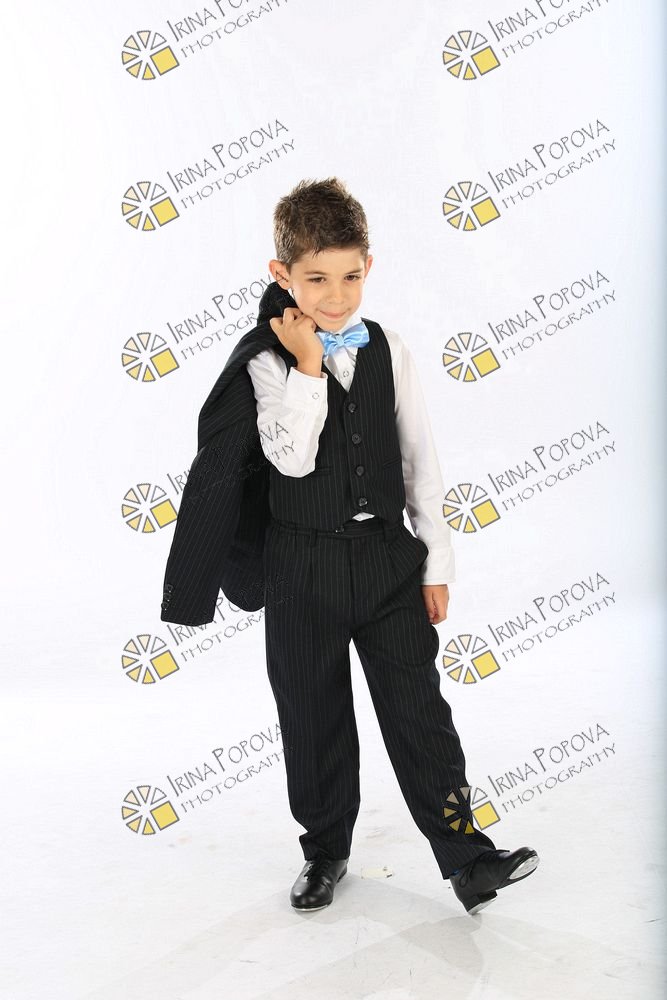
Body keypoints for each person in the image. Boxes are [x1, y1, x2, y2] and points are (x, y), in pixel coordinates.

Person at [242, 176, 540, 915]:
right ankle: (324, 852)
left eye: (350, 276)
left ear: (368, 266)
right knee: (312, 716)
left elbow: (418, 462)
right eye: (316, 279)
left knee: (419, 712)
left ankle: (467, 858)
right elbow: (291, 460)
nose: (335, 296)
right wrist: (308, 365)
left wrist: (435, 561)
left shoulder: (390, 349)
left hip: (385, 563)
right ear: (282, 274)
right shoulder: (263, 360)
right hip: (300, 568)